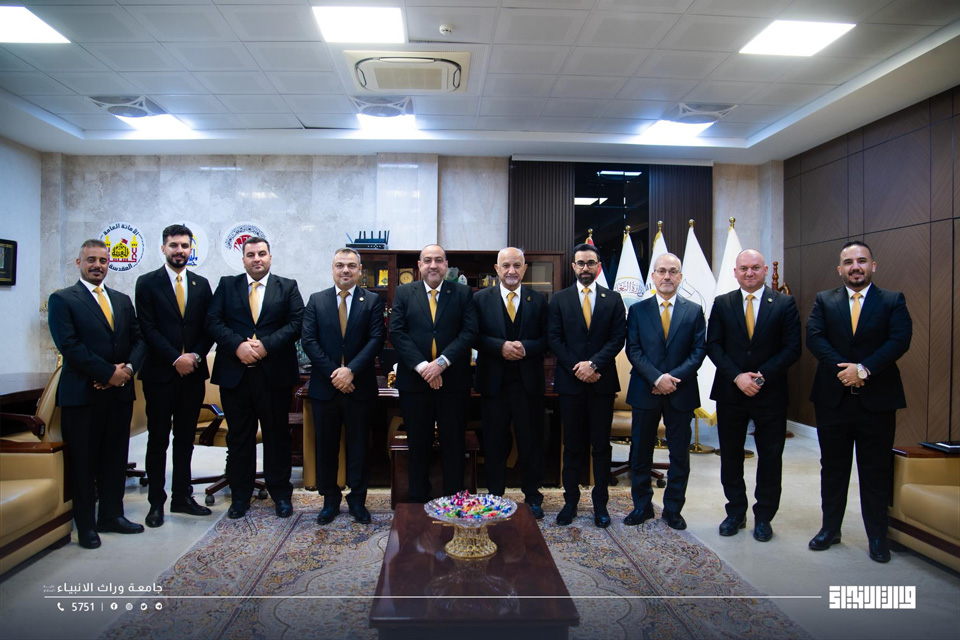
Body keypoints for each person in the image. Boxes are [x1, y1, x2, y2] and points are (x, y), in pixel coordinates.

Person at [806, 240, 912, 563]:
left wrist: (863, 369)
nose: (856, 267)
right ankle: (830, 529)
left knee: (876, 470)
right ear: (840, 269)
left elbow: (899, 340)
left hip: (877, 401)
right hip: (833, 399)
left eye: (862, 261)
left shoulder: (892, 300)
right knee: (833, 468)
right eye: (849, 262)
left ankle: (877, 537)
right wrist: (845, 371)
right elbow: (815, 337)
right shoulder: (824, 300)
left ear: (872, 266)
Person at [48, 239, 147, 549]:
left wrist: (126, 370)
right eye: (90, 260)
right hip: (83, 395)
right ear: (78, 263)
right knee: (83, 462)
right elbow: (70, 346)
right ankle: (86, 525)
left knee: (115, 459)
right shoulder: (63, 299)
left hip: (119, 394)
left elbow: (139, 340)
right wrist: (107, 373)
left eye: (103, 261)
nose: (97, 265)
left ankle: (111, 515)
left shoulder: (121, 300)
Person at [206, 237, 304, 519]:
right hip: (235, 375)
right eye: (251, 255)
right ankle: (240, 496)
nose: (257, 259)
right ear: (243, 259)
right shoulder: (227, 285)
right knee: (239, 437)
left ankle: (281, 495)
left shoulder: (287, 286)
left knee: (276, 437)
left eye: (262, 253)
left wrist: (265, 346)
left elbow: (297, 323)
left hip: (274, 376)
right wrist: (238, 346)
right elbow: (212, 321)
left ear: (270, 257)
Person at [706, 249, 800, 541]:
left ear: (765, 271)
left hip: (770, 393)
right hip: (731, 392)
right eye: (744, 268)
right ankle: (735, 512)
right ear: (735, 272)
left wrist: (761, 376)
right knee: (730, 456)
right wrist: (737, 376)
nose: (749, 273)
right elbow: (713, 345)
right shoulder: (722, 303)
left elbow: (792, 348)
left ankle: (764, 517)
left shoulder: (784, 303)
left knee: (770, 457)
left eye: (755, 267)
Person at [135, 224, 214, 528]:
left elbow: (209, 327)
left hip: (192, 375)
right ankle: (156, 503)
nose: (179, 250)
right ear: (163, 248)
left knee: (185, 440)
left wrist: (194, 356)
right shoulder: (147, 283)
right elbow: (147, 328)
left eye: (184, 245)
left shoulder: (201, 284)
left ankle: (182, 496)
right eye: (174, 245)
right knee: (157, 440)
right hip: (160, 375)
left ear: (191, 249)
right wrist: (175, 358)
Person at [389, 244, 478, 503]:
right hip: (415, 383)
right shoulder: (404, 292)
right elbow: (397, 332)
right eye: (427, 260)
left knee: (454, 444)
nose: (433, 265)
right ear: (419, 266)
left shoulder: (462, 293)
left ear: (446, 265)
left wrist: (441, 363)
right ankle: (418, 500)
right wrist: (423, 367)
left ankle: (454, 500)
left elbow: (469, 332)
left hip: (453, 383)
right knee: (418, 444)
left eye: (439, 260)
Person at [301, 248, 385, 525]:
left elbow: (376, 339)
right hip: (325, 389)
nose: (345, 270)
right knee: (326, 447)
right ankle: (330, 500)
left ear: (360, 270)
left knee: (359, 447)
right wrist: (335, 373)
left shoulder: (372, 301)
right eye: (340, 265)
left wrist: (350, 371)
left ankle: (358, 500)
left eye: (351, 265)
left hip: (359, 388)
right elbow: (309, 340)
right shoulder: (316, 300)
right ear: (332, 269)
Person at [624, 253, 706, 530]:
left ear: (680, 277)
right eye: (661, 271)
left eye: (672, 271)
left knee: (680, 455)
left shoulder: (694, 311)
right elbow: (633, 349)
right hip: (645, 389)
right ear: (653, 277)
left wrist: (672, 379)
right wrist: (657, 378)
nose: (667, 276)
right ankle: (642, 506)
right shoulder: (638, 310)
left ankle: (673, 509)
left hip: (681, 392)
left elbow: (698, 351)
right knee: (640, 453)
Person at [548, 243, 626, 528]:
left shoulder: (613, 299)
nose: (585, 268)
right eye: (580, 263)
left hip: (602, 383)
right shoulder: (559, 299)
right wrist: (578, 368)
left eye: (590, 263)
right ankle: (570, 502)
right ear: (573, 267)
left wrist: (593, 365)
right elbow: (554, 339)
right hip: (571, 384)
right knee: (572, 445)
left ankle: (600, 504)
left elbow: (618, 338)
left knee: (601, 446)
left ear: (598, 266)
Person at [474, 247, 549, 519]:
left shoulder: (538, 300)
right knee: (495, 443)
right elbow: (473, 335)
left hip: (528, 385)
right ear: (497, 269)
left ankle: (533, 497)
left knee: (531, 443)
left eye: (517, 265)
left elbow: (548, 338)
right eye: (506, 265)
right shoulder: (480, 299)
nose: (511, 271)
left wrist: (525, 348)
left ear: (524, 269)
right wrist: (500, 347)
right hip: (493, 385)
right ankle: (495, 496)